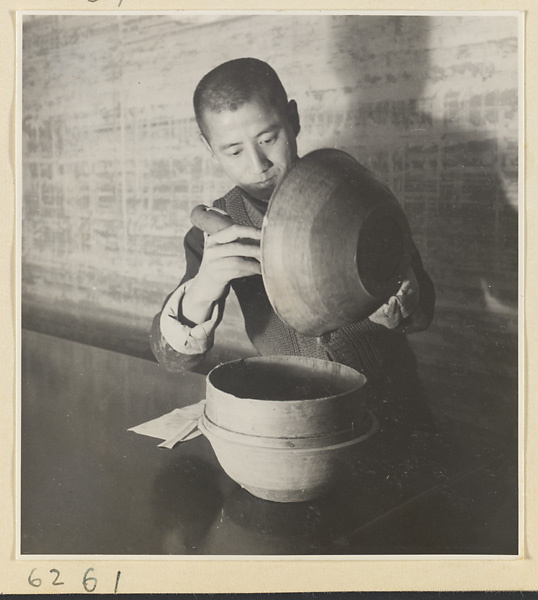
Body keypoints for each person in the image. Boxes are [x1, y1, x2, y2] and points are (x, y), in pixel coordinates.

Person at [150, 57, 436, 433]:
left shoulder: (353, 187)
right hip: (301, 424)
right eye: (233, 151)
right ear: (208, 147)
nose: (258, 165)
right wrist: (205, 286)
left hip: (396, 415)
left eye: (269, 139)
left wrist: (406, 303)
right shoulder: (215, 233)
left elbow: (424, 308)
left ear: (294, 119)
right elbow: (171, 358)